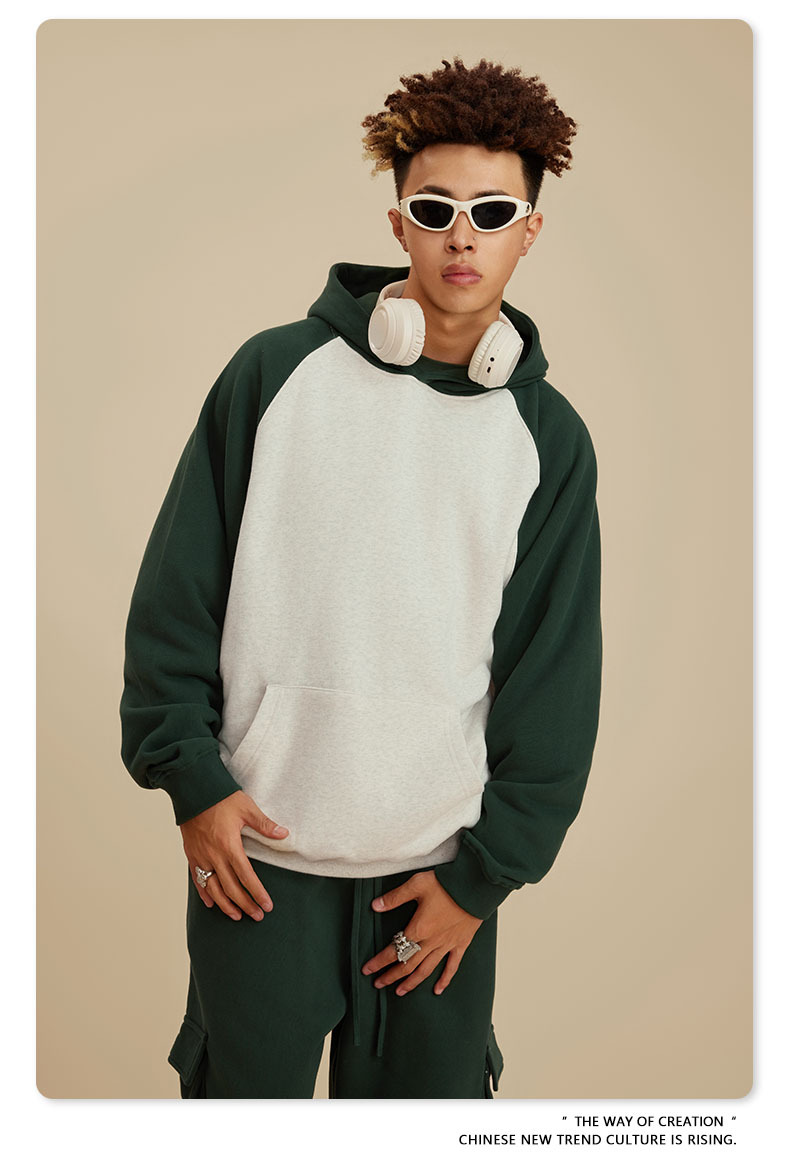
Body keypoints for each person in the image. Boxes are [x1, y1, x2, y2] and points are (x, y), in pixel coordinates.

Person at [119, 55, 603, 1100]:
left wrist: (483, 879)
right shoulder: (274, 374)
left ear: (528, 229)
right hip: (258, 866)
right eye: (435, 209)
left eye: (491, 211)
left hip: (437, 880)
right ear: (398, 225)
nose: (462, 235)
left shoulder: (548, 439)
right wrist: (193, 783)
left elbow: (554, 674)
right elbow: (176, 597)